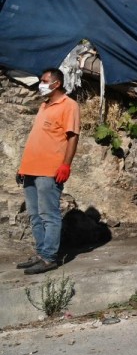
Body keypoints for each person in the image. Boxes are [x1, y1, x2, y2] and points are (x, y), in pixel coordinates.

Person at [15, 68, 80, 275]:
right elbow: (37, 139)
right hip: (30, 169)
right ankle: (41, 252)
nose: (40, 84)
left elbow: (72, 137)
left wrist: (66, 165)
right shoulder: (44, 106)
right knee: (34, 215)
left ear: (56, 83)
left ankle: (49, 257)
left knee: (48, 215)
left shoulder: (69, 105)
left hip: (49, 171)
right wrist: (22, 167)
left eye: (44, 81)